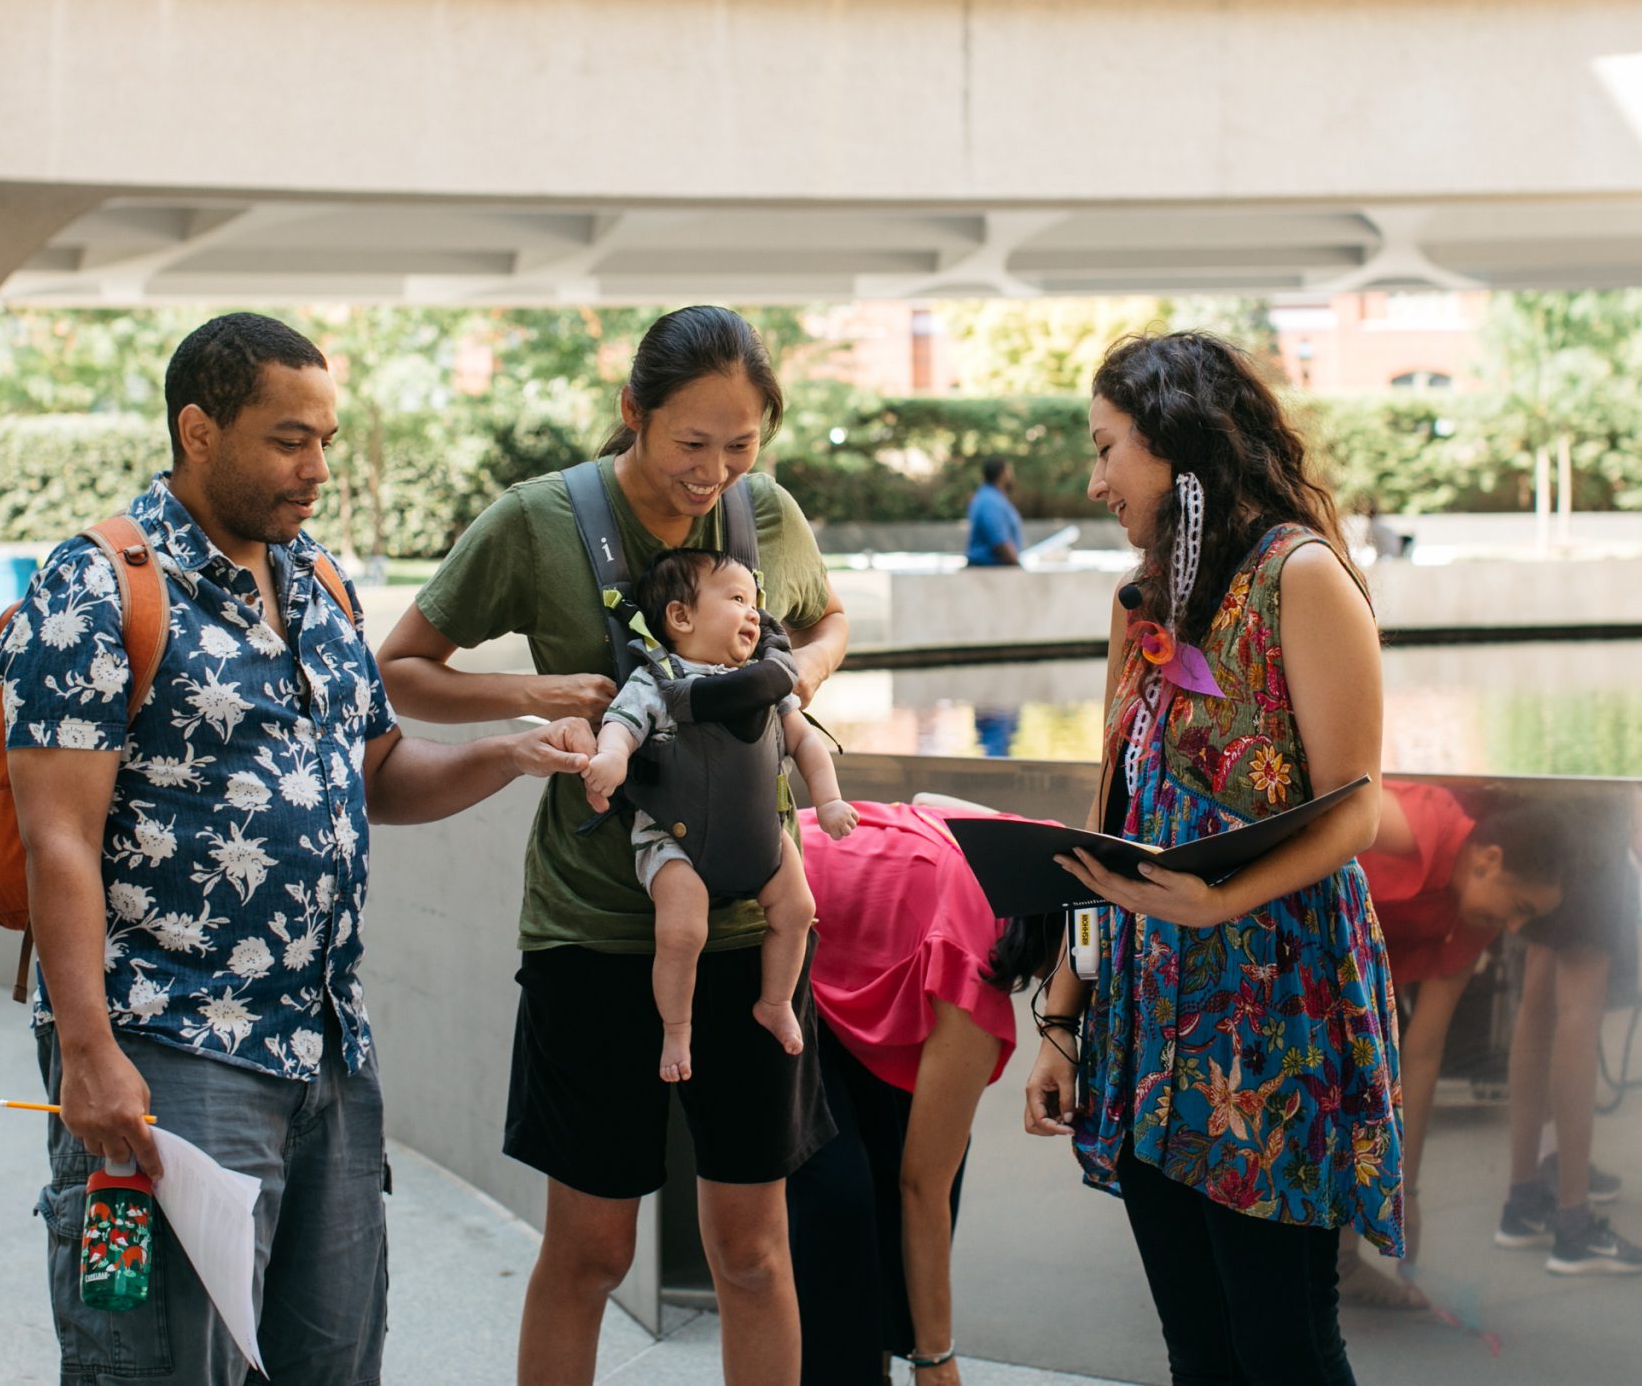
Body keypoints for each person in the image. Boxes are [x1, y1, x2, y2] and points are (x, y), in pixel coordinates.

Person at [0, 313, 594, 1386]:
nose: (317, 468)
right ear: (197, 431)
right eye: (287, 440)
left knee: (334, 1363)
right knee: (161, 1363)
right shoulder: (93, 590)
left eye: (324, 437)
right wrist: (88, 1053)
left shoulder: (316, 582)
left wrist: (508, 753)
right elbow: (58, 840)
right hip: (166, 1053)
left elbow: (374, 776)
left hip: (325, 1049)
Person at [376, 305, 849, 1386]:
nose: (714, 473)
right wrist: (529, 695)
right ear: (632, 413)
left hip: (745, 928)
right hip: (590, 931)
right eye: (692, 444)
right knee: (590, 1250)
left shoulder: (763, 514)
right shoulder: (537, 520)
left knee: (752, 1250)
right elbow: (401, 669)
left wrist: (802, 678)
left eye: (740, 447)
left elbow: (827, 621)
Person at [1021, 330, 1401, 1386]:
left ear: (1178, 444)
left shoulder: (1302, 576)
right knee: (1196, 1346)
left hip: (1274, 1014)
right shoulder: (1139, 606)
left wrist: (1212, 902)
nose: (1095, 482)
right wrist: (1061, 1017)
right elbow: (1109, 828)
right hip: (1146, 1018)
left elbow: (1354, 812)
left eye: (1109, 450)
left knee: (1283, 1344)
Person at [786, 801, 1066, 1385]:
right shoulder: (971, 967)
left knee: (930, 1151)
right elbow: (922, 1189)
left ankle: (886, 1349)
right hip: (765, 938)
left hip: (837, 938)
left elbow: (925, 801)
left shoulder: (1032, 848)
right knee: (840, 1197)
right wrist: (938, 1358)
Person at [582, 547, 860, 1082]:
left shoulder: (763, 680)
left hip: (759, 830)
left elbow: (806, 743)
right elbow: (620, 726)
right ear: (681, 617)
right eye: (737, 599)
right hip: (674, 839)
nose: (754, 613)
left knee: (798, 909)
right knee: (684, 930)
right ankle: (678, 1030)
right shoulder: (657, 680)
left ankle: (776, 1001)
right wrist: (612, 758)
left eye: (755, 602)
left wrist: (827, 800)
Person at [1341, 781, 1566, 1307]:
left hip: (1341, 986)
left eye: (1527, 920)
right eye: (1520, 906)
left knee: (1363, 1081)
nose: (1514, 925)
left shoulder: (1474, 923)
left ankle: (1341, 1265)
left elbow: (1422, 1052)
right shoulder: (1425, 826)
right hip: (1274, 927)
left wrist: (1407, 1194)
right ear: (1489, 860)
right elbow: (1315, 806)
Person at [1492, 794, 1642, 1275]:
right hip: (1593, 809)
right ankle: (1574, 1223)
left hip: (1549, 802)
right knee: (1578, 1016)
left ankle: (1523, 1200)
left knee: (1538, 1003)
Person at [964, 457, 1025, 567]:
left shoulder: (991, 497)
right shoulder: (990, 501)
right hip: (989, 573)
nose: (1012, 476)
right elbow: (999, 541)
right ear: (1002, 474)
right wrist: (1017, 567)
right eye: (1009, 471)